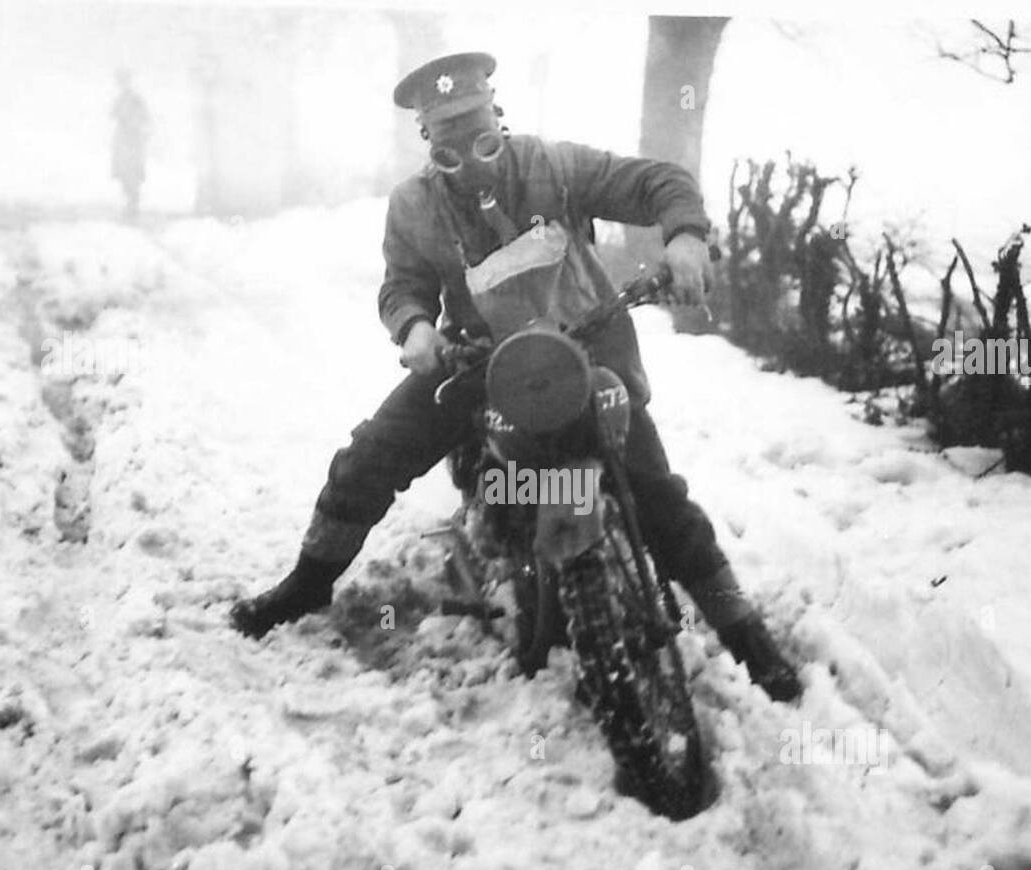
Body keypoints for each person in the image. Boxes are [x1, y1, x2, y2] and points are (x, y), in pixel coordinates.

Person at [230, 52, 801, 702]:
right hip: (477, 362)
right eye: (448, 143)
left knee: (659, 501)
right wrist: (416, 327)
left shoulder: (554, 166)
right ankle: (305, 587)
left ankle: (751, 640)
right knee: (366, 458)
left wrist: (686, 239)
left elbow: (658, 183)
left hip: (584, 352)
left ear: (497, 113)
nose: (468, 154)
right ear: (427, 139)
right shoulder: (413, 205)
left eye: (478, 130)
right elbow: (402, 285)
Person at [111, 69, 152, 222]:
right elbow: (113, 114)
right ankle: (131, 201)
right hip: (125, 140)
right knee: (125, 172)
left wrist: (135, 125)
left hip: (132, 140)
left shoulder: (135, 100)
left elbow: (145, 117)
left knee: (131, 172)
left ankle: (133, 202)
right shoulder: (121, 99)